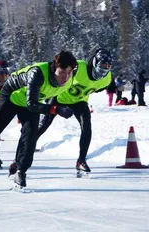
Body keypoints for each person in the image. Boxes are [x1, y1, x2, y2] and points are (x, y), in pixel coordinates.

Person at [0, 50, 77, 188]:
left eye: (69, 72)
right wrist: (56, 109)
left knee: (30, 135)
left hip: (31, 102)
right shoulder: (38, 73)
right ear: (54, 68)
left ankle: (21, 170)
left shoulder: (69, 80)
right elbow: (32, 104)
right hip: (11, 96)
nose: (66, 76)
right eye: (63, 71)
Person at [9, 48, 112, 176]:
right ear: (94, 62)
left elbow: (97, 89)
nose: (105, 68)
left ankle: (81, 160)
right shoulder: (79, 67)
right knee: (40, 127)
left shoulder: (107, 79)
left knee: (87, 127)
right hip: (58, 97)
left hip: (79, 101)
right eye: (102, 64)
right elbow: (58, 73)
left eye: (108, 65)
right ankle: (17, 159)